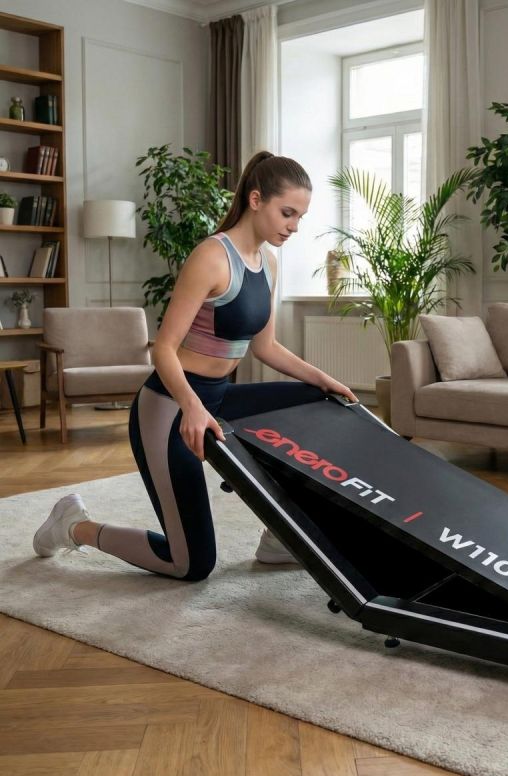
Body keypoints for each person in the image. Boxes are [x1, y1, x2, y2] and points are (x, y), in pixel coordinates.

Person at [33, 151, 357, 580]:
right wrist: (191, 405)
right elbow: (164, 349)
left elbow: (266, 346)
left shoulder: (268, 263)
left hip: (218, 398)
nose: (294, 226)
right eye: (288, 213)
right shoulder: (212, 256)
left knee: (320, 403)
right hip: (169, 407)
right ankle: (74, 526)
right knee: (190, 564)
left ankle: (281, 536)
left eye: (300, 217)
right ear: (256, 200)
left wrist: (326, 380)